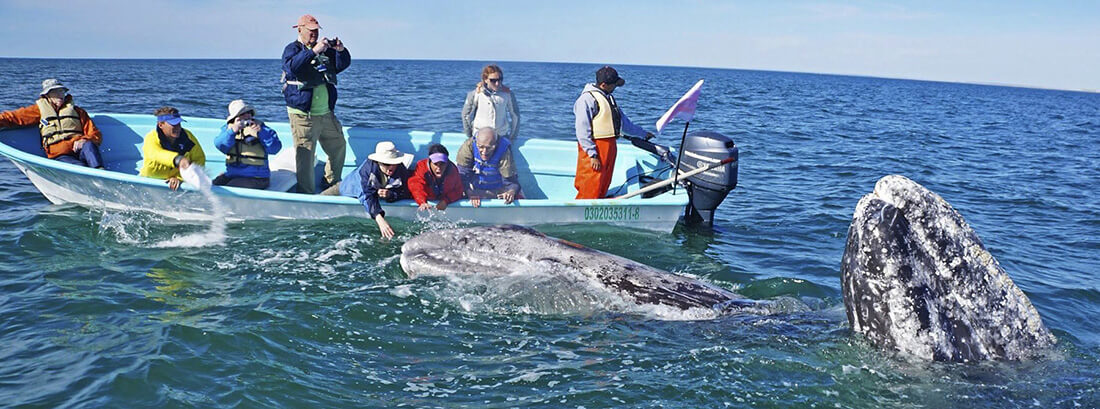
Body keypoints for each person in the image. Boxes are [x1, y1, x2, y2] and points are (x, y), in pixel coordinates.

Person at [282, 14, 351, 194]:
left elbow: (340, 65)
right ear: (300, 29)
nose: (314, 34)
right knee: (305, 155)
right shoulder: (292, 49)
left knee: (338, 146)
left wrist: (341, 50)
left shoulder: (323, 50)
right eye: (310, 31)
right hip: (303, 115)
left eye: (316, 31)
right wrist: (313, 52)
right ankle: (306, 193)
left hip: (325, 112)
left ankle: (331, 182)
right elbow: (293, 67)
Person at [573, 66, 655, 199]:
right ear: (604, 85)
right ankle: (584, 204)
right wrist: (592, 154)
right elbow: (582, 130)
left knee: (604, 178)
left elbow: (625, 124)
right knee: (592, 178)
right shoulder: (586, 100)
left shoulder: (608, 98)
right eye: (614, 85)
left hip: (610, 145)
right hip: (595, 147)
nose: (616, 87)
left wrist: (643, 134)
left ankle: (599, 199)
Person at [0, 79, 104, 168]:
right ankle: (90, 177)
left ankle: (100, 172)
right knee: (80, 168)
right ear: (47, 95)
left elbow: (95, 134)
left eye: (62, 91)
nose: (60, 95)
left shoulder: (78, 111)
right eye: (55, 92)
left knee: (89, 145)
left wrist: (85, 140)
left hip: (80, 150)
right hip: (60, 155)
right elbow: (13, 117)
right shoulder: (38, 111)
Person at [321, 141, 413, 239]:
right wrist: (379, 218)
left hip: (370, 192)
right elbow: (366, 195)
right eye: (386, 164)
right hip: (346, 188)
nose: (391, 168)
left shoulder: (400, 168)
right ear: (378, 162)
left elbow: (405, 191)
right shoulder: (367, 171)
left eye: (393, 163)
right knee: (321, 198)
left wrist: (391, 194)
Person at [213, 100, 282, 189]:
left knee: (231, 187)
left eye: (249, 112)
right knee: (211, 186)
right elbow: (220, 146)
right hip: (232, 174)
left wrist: (262, 132)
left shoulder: (262, 128)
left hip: (257, 178)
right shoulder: (228, 129)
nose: (247, 115)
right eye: (242, 114)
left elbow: (275, 149)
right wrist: (232, 131)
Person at [140, 107, 206, 191]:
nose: (178, 127)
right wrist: (178, 159)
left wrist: (180, 179)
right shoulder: (151, 137)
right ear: (161, 125)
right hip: (150, 181)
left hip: (176, 182)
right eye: (173, 124)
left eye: (179, 124)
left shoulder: (187, 137)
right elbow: (157, 154)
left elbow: (199, 159)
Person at [455, 127, 520, 207]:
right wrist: (469, 192)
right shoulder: (469, 146)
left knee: (516, 196)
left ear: (495, 145)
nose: (484, 152)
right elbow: (461, 175)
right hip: (474, 189)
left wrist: (511, 192)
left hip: (498, 190)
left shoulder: (504, 151)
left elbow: (511, 181)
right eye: (481, 147)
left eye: (489, 148)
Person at [461, 64, 520, 141]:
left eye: (500, 79)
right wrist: (469, 135)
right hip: (480, 138)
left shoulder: (508, 94)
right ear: (485, 79)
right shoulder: (475, 94)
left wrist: (512, 137)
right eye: (493, 80)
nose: (497, 83)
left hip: (501, 137)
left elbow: (515, 116)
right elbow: (465, 115)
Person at [408, 144, 464, 211]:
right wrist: (422, 202)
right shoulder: (422, 167)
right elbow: (415, 186)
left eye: (442, 164)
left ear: (447, 163)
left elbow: (458, 190)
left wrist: (446, 201)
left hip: (442, 199)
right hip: (427, 199)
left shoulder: (452, 169)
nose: (439, 168)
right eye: (435, 164)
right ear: (430, 162)